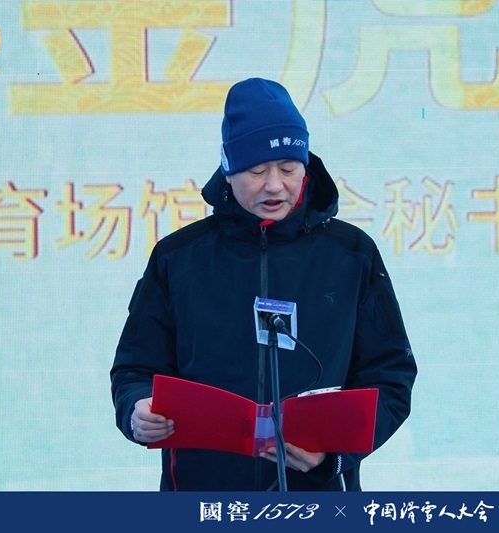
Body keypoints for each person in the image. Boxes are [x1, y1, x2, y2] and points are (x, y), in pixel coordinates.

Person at [110, 77, 417, 491]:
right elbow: (135, 369)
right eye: (257, 170)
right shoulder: (177, 259)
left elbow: (390, 376)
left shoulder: (351, 255)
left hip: (318, 498)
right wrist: (137, 407)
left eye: (288, 168)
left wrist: (337, 454)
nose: (275, 184)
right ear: (228, 170)